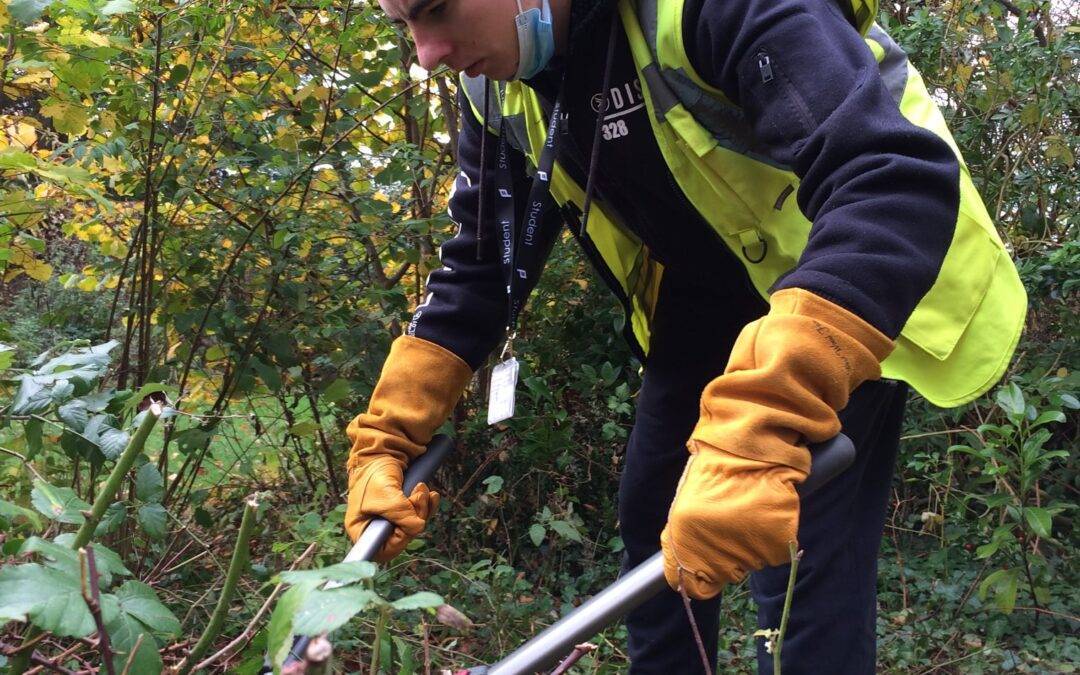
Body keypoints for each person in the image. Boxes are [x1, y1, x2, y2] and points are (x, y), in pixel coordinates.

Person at [343, 0, 1026, 672]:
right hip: (704, 301)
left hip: (845, 288)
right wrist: (393, 430)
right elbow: (482, 264)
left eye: (435, 10)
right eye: (403, 24)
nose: (426, 53)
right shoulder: (497, 87)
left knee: (797, 554)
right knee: (655, 516)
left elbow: (891, 181)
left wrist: (768, 414)